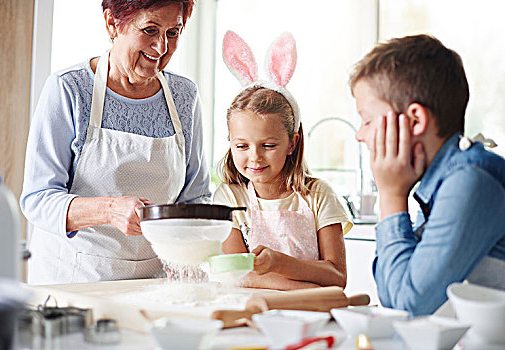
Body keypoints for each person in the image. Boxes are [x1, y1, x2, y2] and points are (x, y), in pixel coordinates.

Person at [20, 0, 211, 285]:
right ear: (112, 23)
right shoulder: (69, 89)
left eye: (173, 33)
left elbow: (196, 198)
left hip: (155, 282)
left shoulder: (184, 95)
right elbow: (38, 200)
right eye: (150, 30)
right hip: (75, 280)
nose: (161, 48)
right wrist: (109, 210)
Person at [350, 34, 505, 316]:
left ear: (415, 120)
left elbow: (408, 305)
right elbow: (392, 294)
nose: (360, 135)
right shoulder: (442, 182)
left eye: (367, 120)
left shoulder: (470, 180)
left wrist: (390, 195)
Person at [214, 31, 352, 291]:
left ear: (292, 143)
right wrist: (305, 290)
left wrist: (279, 263)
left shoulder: (319, 195)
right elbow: (238, 275)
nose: (254, 156)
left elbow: (337, 275)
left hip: (309, 314)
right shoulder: (229, 197)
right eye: (242, 146)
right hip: (255, 310)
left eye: (268, 145)